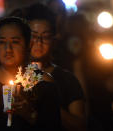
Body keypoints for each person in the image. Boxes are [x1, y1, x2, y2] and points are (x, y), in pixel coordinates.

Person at [26, 3, 86, 131]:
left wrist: (47, 100)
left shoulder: (66, 79)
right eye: (33, 36)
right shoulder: (12, 73)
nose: (39, 42)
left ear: (54, 40)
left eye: (46, 37)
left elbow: (79, 125)